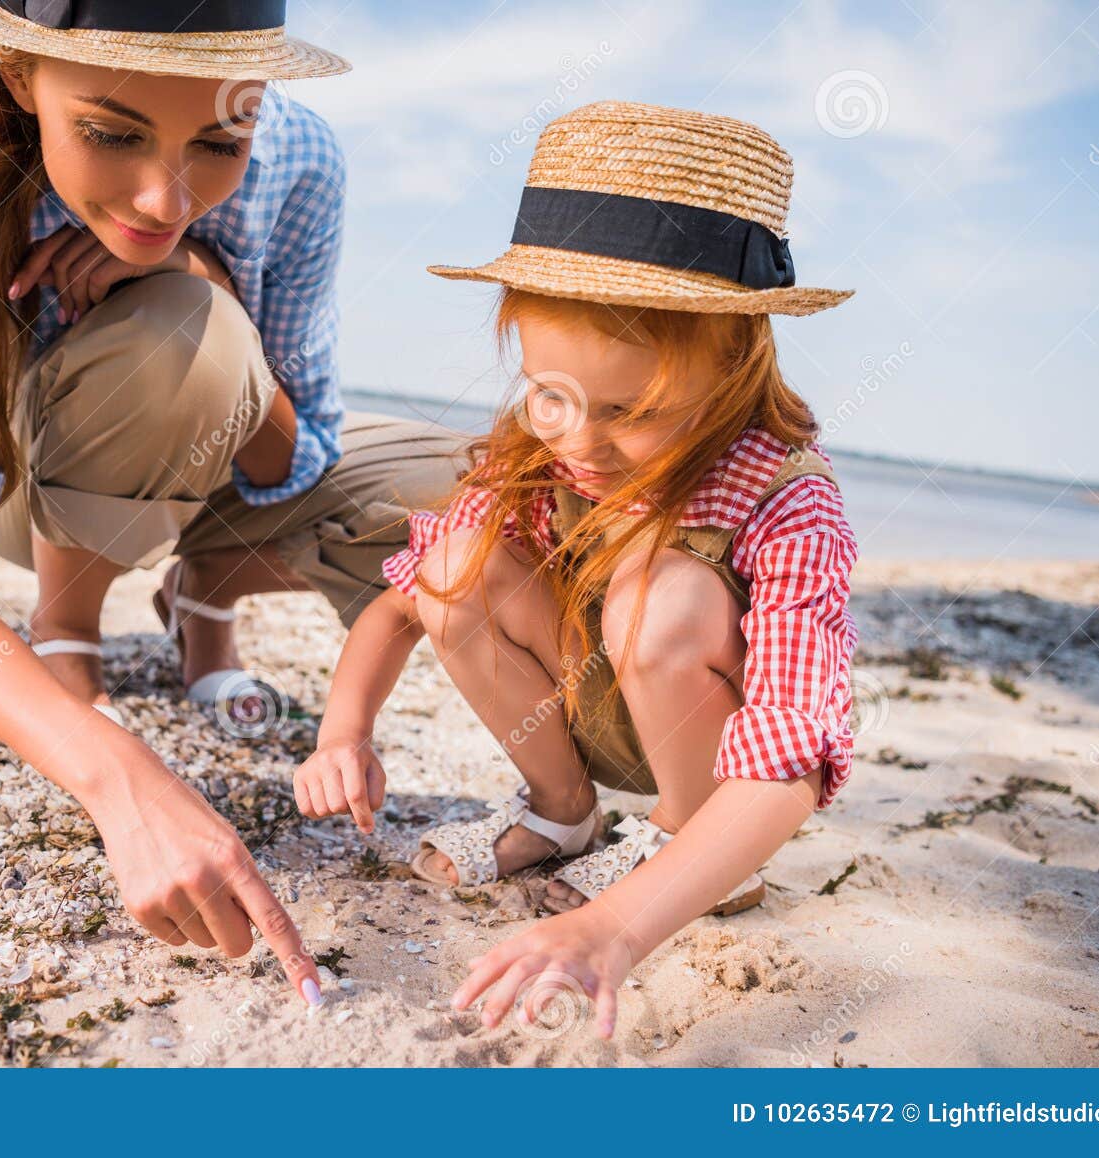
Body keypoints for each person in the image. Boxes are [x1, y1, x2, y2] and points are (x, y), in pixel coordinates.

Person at [0, 0, 463, 1010]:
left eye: (218, 141)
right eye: (111, 132)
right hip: (36, 495)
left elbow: (293, 460)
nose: (165, 194)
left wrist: (197, 270)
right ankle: (68, 634)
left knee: (489, 489)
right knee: (183, 336)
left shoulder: (300, 158)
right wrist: (113, 771)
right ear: (15, 77)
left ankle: (199, 595)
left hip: (215, 470)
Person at [293, 102, 859, 1036]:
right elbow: (401, 608)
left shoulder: (783, 495)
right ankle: (563, 816)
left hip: (712, 754)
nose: (581, 443)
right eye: (551, 394)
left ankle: (689, 851)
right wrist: (342, 732)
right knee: (453, 561)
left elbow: (793, 758)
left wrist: (617, 929)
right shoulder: (547, 448)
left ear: (732, 367)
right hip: (578, 699)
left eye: (631, 410)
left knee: (663, 595)